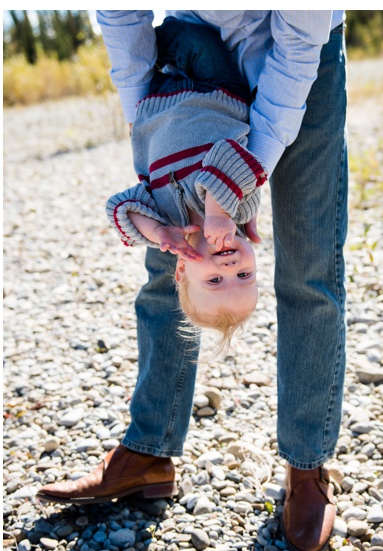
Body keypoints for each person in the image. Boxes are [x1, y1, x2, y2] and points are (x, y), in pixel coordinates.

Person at [38, 11, 347, 551]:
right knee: (168, 275)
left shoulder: (218, 215)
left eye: (230, 273)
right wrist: (145, 119)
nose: (230, 261)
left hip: (299, 44)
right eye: (240, 271)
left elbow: (298, 42)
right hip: (193, 45)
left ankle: (307, 464)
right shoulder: (208, 232)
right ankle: (149, 451)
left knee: (309, 269)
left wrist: (193, 204)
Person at [105, 17, 265, 349]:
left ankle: (142, 42)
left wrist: (157, 232)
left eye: (215, 280)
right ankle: (155, 34)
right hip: (216, 91)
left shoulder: (167, 225)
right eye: (245, 276)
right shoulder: (240, 209)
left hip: (156, 106)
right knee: (194, 38)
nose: (231, 266)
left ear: (181, 271)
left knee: (139, 58)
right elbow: (231, 155)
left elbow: (120, 208)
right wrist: (218, 211)